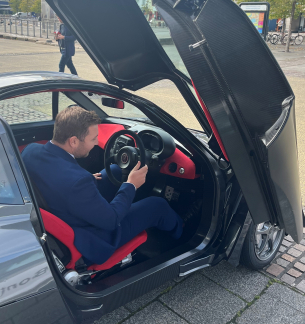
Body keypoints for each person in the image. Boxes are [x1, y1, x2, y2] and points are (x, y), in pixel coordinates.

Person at [22, 106, 184, 266]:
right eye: (93, 139)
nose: (95, 144)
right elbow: (111, 220)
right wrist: (131, 185)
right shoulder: (78, 181)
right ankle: (184, 238)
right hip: (91, 236)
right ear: (73, 141)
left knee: (115, 169)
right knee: (158, 205)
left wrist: (87, 178)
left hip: (61, 205)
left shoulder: (30, 151)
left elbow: (55, 176)